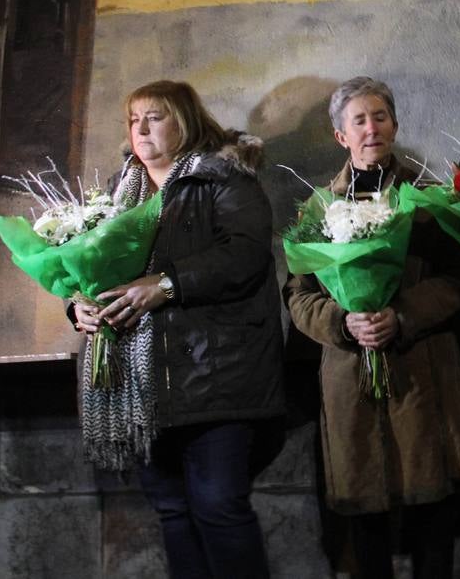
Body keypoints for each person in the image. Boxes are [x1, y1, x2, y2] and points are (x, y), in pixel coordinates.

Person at [70, 79, 286, 579]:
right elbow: (87, 270)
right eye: (133, 119)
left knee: (218, 507)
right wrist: (78, 307)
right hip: (142, 388)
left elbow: (246, 256)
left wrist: (165, 285)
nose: (140, 129)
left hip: (218, 378)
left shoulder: (224, 180)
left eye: (155, 116)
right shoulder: (116, 196)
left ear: (185, 121)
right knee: (173, 512)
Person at [283, 77, 460, 579]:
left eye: (381, 117)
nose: (372, 128)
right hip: (351, 376)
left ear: (394, 124)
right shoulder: (317, 210)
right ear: (340, 136)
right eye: (359, 120)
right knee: (366, 517)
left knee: (432, 515)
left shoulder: (428, 200)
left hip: (422, 369)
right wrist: (344, 323)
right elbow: (299, 296)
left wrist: (403, 315)